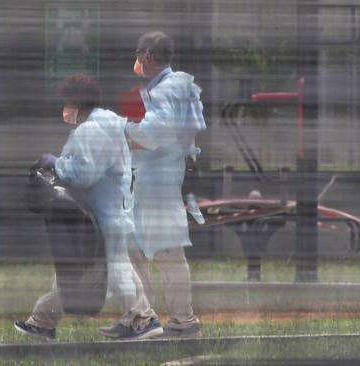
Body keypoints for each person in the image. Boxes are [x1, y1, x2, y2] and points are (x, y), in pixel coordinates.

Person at [14, 74, 161, 341]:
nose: (65, 108)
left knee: (111, 271)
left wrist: (54, 164)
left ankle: (142, 319)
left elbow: (84, 174)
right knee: (83, 270)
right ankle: (43, 320)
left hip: (102, 216)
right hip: (108, 211)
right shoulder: (109, 123)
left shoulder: (90, 130)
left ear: (77, 103)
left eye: (68, 102)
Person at [103, 31, 207, 338]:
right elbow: (189, 130)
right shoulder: (180, 84)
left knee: (165, 252)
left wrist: (123, 127)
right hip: (156, 178)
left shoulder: (166, 89)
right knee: (133, 249)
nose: (136, 62)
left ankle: (182, 321)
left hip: (155, 182)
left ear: (147, 57)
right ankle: (140, 317)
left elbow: (155, 132)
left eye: (138, 56)